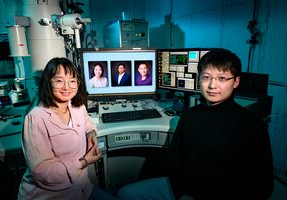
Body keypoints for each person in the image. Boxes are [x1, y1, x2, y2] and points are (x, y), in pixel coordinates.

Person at [117, 48, 274, 200]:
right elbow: (174, 160)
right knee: (125, 194)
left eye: (222, 78)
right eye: (206, 77)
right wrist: (184, 194)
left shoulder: (252, 126)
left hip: (223, 195)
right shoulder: (189, 115)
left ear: (236, 82)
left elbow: (263, 187)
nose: (212, 86)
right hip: (182, 189)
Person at [18, 57, 117, 200]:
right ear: (48, 83)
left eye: (72, 81)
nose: (66, 87)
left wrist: (91, 133)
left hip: (80, 188)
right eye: (59, 80)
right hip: (50, 195)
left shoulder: (76, 106)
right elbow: (43, 173)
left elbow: (87, 121)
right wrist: (84, 162)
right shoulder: (36, 118)